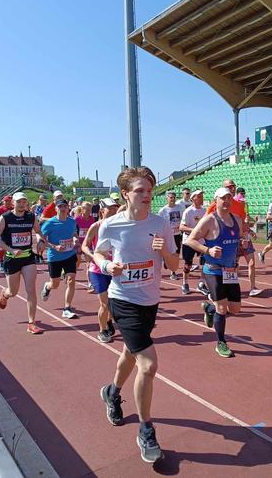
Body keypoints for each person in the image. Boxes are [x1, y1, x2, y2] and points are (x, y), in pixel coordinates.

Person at [96, 167, 177, 463]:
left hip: (150, 301)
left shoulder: (161, 223)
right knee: (148, 364)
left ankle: (112, 391)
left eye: (149, 190)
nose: (147, 195)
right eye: (140, 190)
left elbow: (175, 265)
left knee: (130, 353)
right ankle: (146, 430)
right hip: (123, 300)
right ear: (125, 194)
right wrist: (107, 267)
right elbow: (98, 253)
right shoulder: (111, 225)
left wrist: (164, 252)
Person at [187, 187, 243, 358]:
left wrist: (241, 248)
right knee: (222, 307)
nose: (226, 201)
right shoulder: (209, 220)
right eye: (222, 198)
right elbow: (190, 240)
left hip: (230, 270)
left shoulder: (237, 220)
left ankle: (209, 309)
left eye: (229, 198)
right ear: (215, 201)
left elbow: (237, 242)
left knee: (235, 309)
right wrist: (207, 250)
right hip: (213, 269)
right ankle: (221, 342)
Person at [0, 192, 47, 334]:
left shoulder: (31, 216)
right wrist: (10, 249)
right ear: (13, 203)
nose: (22, 204)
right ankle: (5, 294)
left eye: (24, 202)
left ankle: (31, 323)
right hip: (11, 259)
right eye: (19, 202)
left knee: (31, 290)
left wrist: (40, 240)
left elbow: (39, 231)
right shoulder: (5, 218)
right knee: (13, 292)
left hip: (28, 258)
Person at [206, 179, 262, 297]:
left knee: (251, 263)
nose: (232, 188)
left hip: (242, 237)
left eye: (233, 186)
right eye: (229, 186)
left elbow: (242, 222)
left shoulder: (238, 204)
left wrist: (249, 232)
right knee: (230, 267)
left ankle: (253, 287)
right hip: (225, 240)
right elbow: (207, 223)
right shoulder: (213, 206)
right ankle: (222, 290)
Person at [82, 197, 119, 343]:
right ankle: (102, 330)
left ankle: (109, 320)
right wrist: (92, 256)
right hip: (98, 270)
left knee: (113, 302)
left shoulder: (119, 226)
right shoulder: (96, 226)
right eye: (110, 208)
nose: (113, 210)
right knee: (104, 303)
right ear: (102, 210)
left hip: (114, 269)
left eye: (115, 208)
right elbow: (85, 245)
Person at [40, 199, 79, 319]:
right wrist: (54, 246)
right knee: (55, 284)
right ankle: (47, 287)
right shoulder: (50, 223)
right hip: (55, 257)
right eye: (60, 206)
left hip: (69, 254)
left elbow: (74, 234)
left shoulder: (72, 222)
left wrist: (75, 240)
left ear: (68, 208)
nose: (62, 208)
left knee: (71, 280)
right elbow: (41, 238)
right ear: (56, 209)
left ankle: (67, 308)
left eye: (65, 206)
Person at [179, 190, 210, 296]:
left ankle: (201, 283)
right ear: (194, 198)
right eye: (200, 196)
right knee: (188, 264)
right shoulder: (188, 211)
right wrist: (195, 231)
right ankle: (185, 283)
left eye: (202, 196)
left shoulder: (205, 211)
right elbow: (181, 227)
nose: (202, 198)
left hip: (201, 240)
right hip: (189, 241)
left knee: (205, 263)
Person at [158, 191, 183, 280]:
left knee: (176, 253)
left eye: (174, 197)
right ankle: (173, 272)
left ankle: (169, 265)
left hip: (177, 234)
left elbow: (182, 219)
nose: (172, 199)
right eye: (171, 197)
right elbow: (159, 223)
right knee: (170, 252)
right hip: (168, 235)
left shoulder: (180, 208)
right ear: (167, 198)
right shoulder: (163, 210)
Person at [75, 201, 95, 282]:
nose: (89, 212)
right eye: (87, 210)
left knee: (89, 264)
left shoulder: (92, 219)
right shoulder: (77, 219)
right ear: (82, 210)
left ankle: (90, 283)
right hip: (78, 244)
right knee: (78, 261)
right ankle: (69, 274)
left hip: (87, 244)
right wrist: (77, 243)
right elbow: (74, 232)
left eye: (90, 210)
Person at [0, 195, 14, 272]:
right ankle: (1, 261)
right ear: (3, 201)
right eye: (6, 201)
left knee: (11, 246)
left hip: (12, 231)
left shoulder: (14, 208)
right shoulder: (0, 209)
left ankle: (10, 261)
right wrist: (0, 223)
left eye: (9, 201)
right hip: (2, 231)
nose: (8, 202)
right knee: (2, 247)